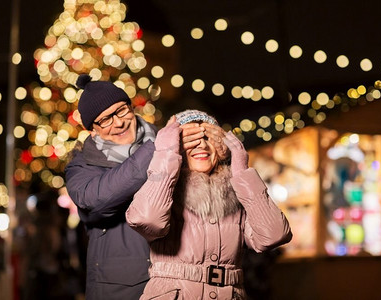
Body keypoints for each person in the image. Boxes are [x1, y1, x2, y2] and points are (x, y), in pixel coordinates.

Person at [65, 75, 228, 299]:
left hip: (177, 282)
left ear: (131, 108)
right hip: (121, 289)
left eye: (121, 110)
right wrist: (159, 150)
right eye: (105, 120)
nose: (118, 122)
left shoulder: (165, 141)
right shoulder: (81, 166)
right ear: (93, 129)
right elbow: (96, 199)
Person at [126, 110, 293, 299]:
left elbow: (274, 236)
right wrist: (165, 155)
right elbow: (147, 220)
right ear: (177, 146)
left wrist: (242, 173)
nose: (202, 145)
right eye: (191, 139)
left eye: (209, 138)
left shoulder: (237, 191)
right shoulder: (162, 188)